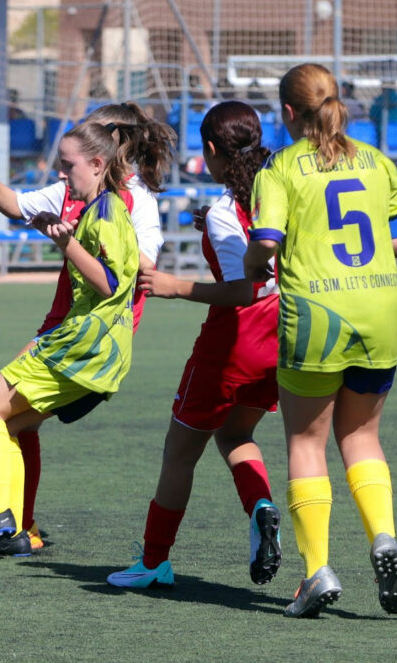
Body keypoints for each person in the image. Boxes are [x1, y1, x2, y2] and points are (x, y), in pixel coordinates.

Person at [0, 102, 175, 551]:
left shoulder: (118, 206)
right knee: (10, 424)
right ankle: (17, 527)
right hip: (85, 341)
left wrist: (67, 242)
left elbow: (118, 279)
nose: (60, 174)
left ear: (100, 158)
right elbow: (17, 205)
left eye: (66, 165)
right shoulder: (93, 199)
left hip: (83, 341)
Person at [243, 62, 397, 618]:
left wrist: (250, 263)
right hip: (380, 311)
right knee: (362, 437)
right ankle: (384, 538)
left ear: (287, 113)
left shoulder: (281, 168)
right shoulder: (379, 161)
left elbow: (266, 245)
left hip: (318, 315)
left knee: (306, 442)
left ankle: (317, 571)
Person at [107, 100, 282, 589]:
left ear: (209, 149)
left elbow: (242, 289)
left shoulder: (229, 209)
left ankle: (154, 561)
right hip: (283, 336)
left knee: (179, 453)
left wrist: (172, 285)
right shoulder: (276, 189)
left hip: (235, 342)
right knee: (234, 435)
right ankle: (261, 507)